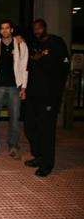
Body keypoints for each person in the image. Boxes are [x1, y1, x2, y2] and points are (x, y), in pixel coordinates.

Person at [24, 19, 69, 177]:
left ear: (45, 28)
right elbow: (29, 68)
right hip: (33, 95)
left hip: (49, 96)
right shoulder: (34, 45)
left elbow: (64, 68)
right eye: (35, 29)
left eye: (39, 28)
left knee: (46, 131)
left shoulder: (57, 43)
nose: (37, 31)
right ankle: (38, 156)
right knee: (30, 127)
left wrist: (56, 94)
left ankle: (47, 164)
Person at [0, 20, 28, 158]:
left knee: (15, 118)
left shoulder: (21, 45)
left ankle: (13, 146)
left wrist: (24, 87)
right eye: (2, 28)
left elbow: (25, 67)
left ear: (11, 30)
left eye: (7, 28)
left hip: (15, 88)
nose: (4, 30)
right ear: (0, 31)